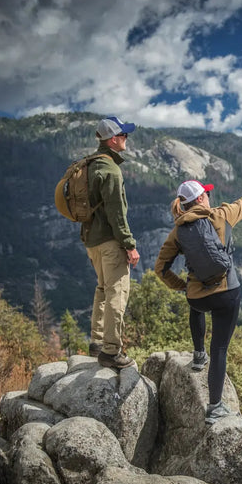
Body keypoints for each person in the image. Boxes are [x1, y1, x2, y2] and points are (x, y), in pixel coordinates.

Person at [155, 176, 242, 423]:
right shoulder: (222, 215)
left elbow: (161, 269)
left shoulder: (178, 231)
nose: (209, 196)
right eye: (206, 194)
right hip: (226, 295)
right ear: (201, 199)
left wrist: (182, 286)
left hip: (197, 298)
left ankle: (199, 355)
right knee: (220, 349)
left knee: (195, 307)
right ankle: (214, 408)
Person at [83, 116, 140, 369]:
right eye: (124, 135)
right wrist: (129, 244)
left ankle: (96, 343)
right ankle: (111, 351)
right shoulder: (111, 170)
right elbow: (117, 214)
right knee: (117, 293)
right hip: (110, 243)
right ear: (114, 139)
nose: (127, 139)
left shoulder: (90, 164)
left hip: (91, 242)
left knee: (103, 289)